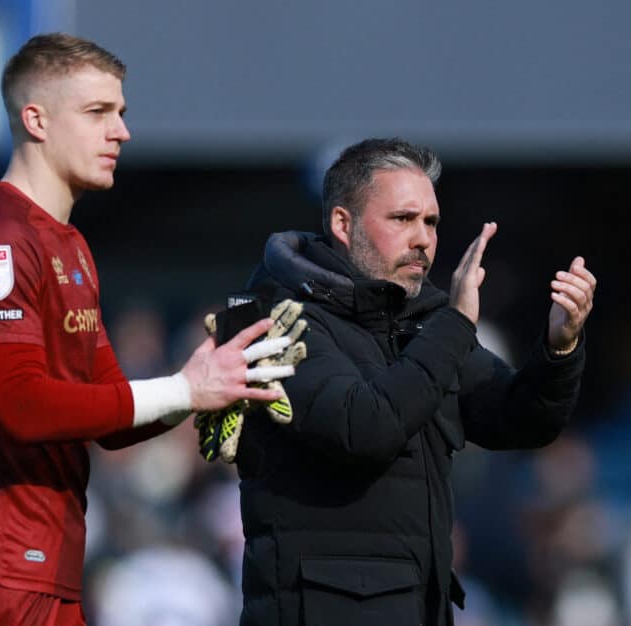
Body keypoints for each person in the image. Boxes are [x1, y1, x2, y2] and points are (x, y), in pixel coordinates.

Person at [0, 33, 296, 626]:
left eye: (121, 113)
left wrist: (211, 380)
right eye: (97, 113)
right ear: (36, 119)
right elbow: (22, 406)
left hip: (42, 570)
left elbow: (110, 416)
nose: (121, 132)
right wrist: (185, 391)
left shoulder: (72, 247)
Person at [228, 138, 596, 625]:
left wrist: (560, 346)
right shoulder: (275, 320)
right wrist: (457, 324)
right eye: (403, 219)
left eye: (431, 222)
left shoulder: (425, 322)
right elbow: (364, 428)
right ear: (343, 223)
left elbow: (522, 420)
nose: (422, 238)